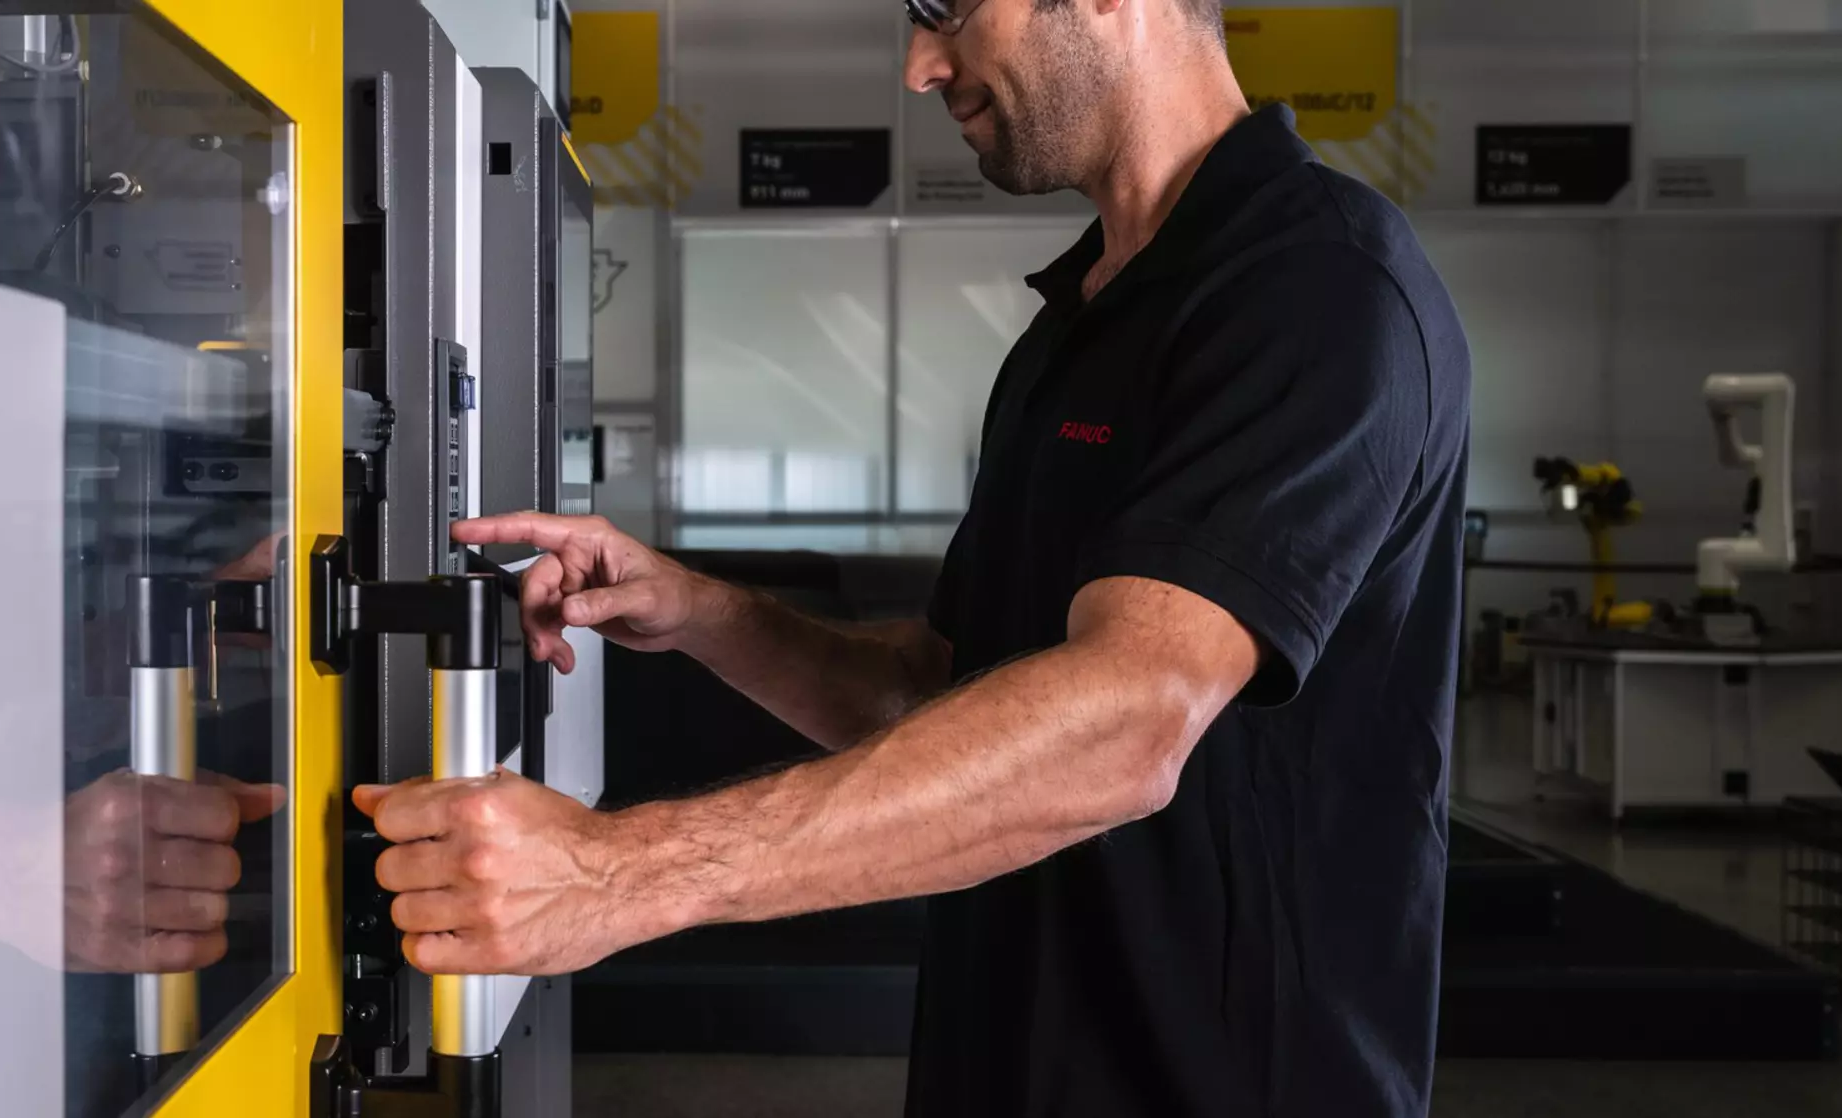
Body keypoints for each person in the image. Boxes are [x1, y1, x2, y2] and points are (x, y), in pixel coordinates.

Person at [351, 0, 1472, 1113]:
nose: (919, 67)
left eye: (945, 9)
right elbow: (939, 690)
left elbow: (1127, 719)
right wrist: (699, 609)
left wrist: (617, 873)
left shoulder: (1313, 287)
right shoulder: (1076, 322)